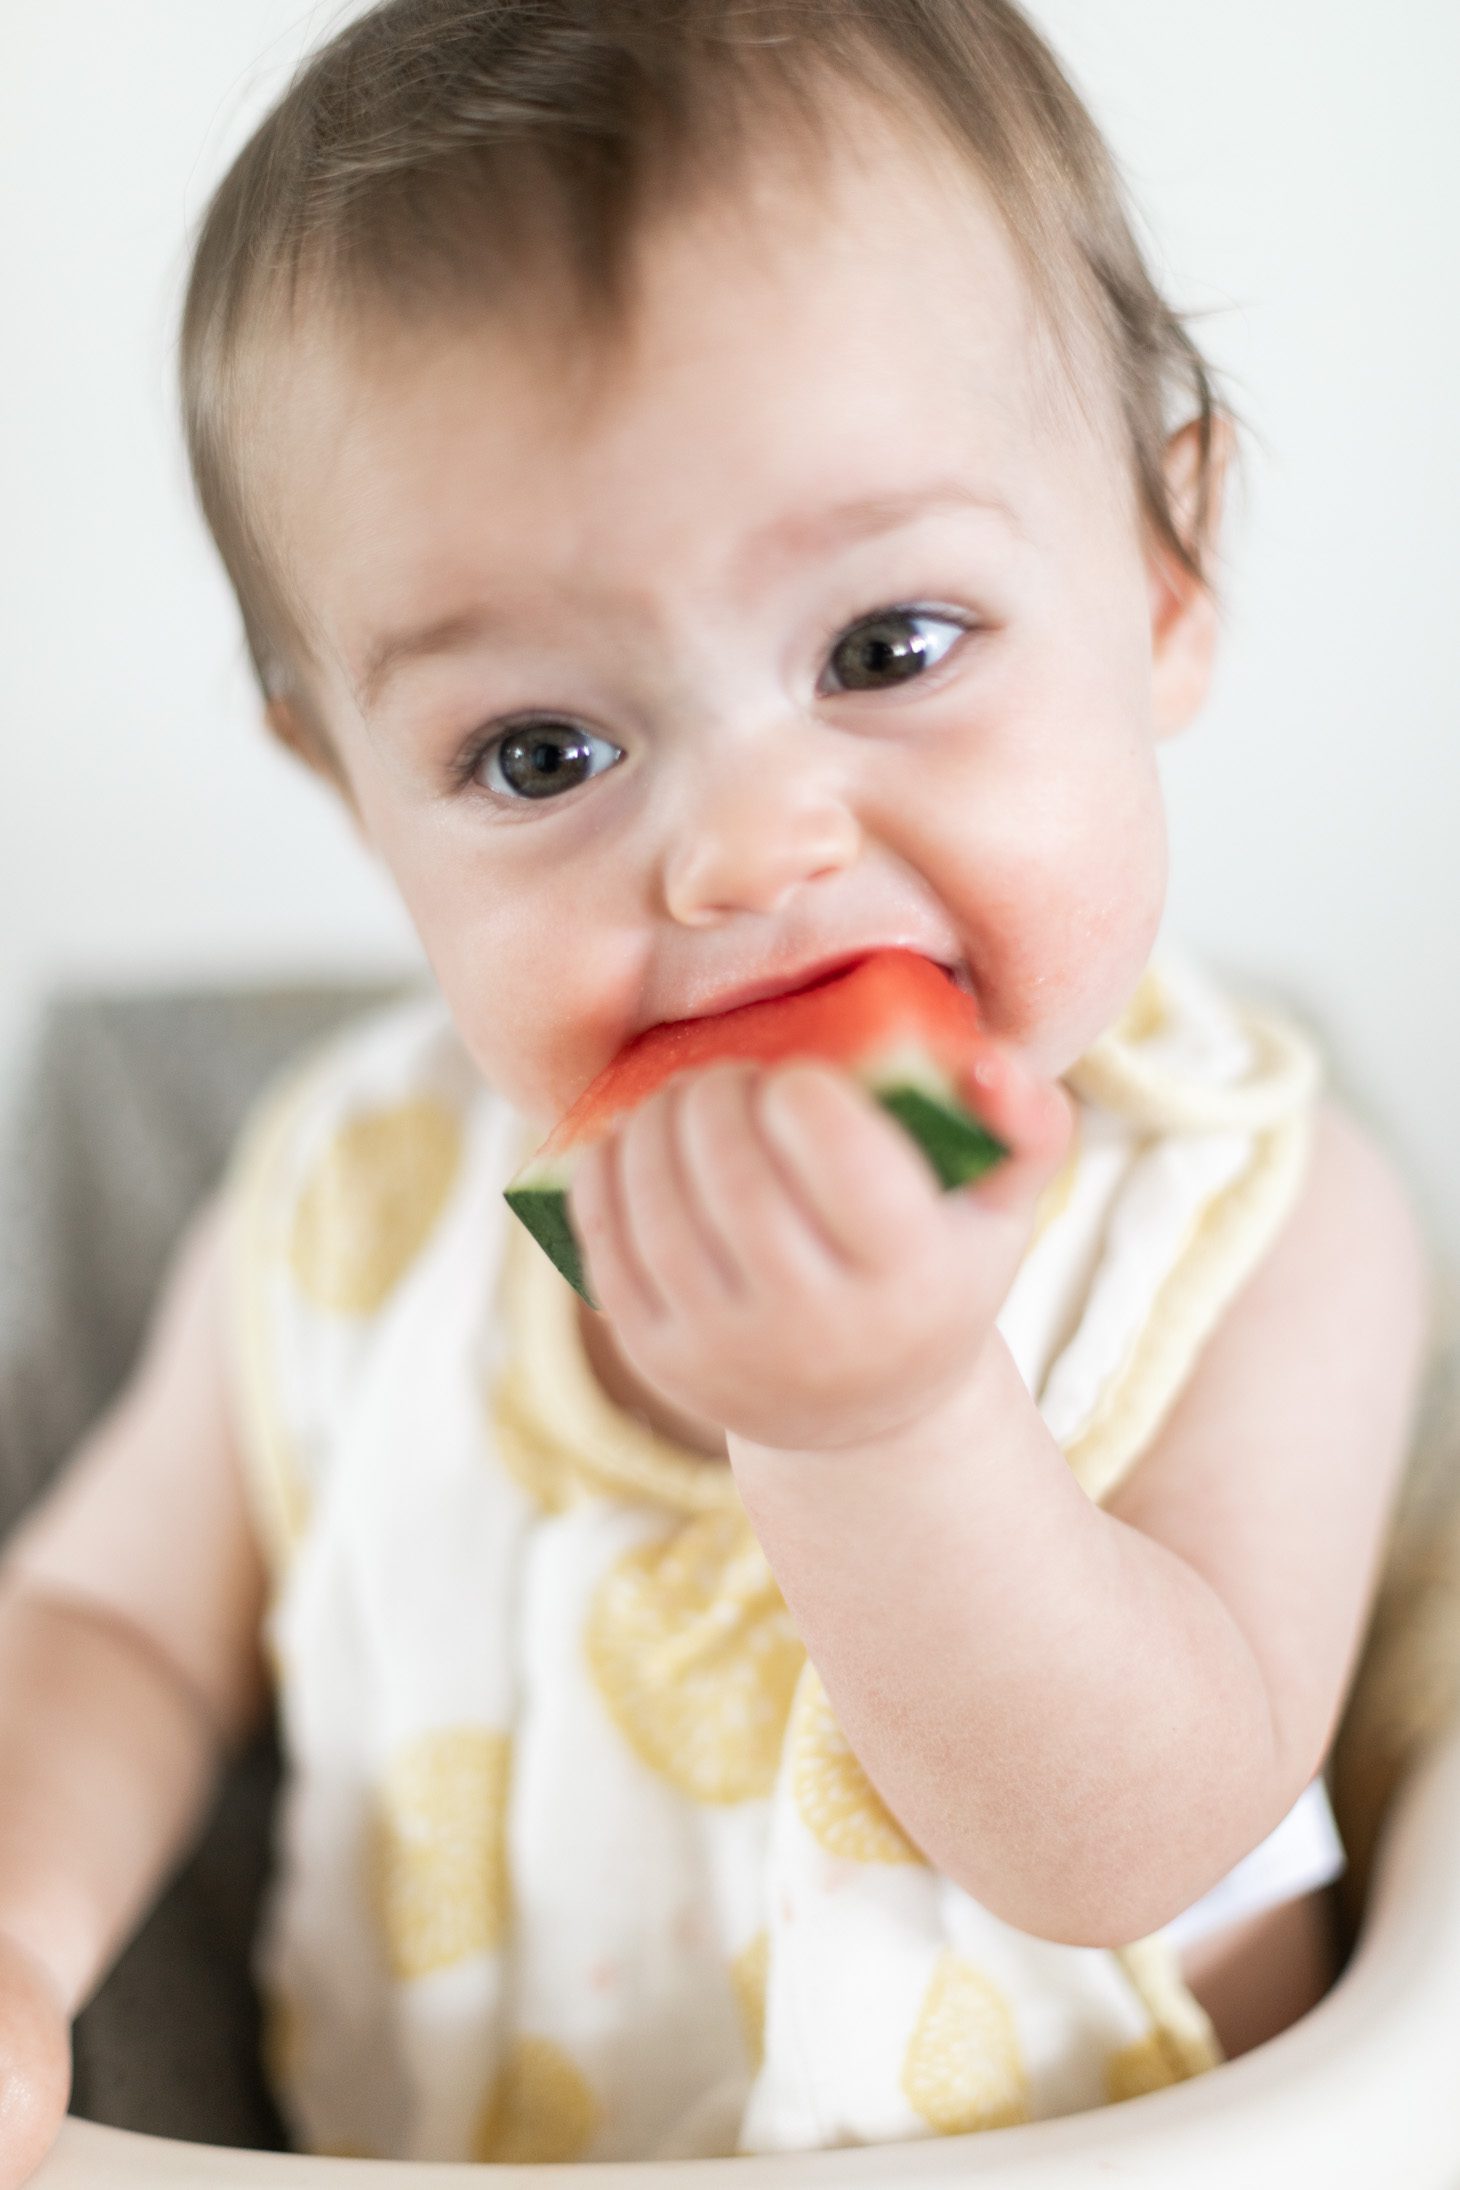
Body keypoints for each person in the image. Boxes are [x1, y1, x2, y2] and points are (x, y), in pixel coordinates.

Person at [0, 0, 1433, 2173]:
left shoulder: (1248, 1210)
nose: (746, 850)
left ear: (1162, 572)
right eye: (539, 755)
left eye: (885, 648)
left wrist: (876, 1417)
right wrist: (21, 1923)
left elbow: (1142, 1838)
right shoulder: (353, 1204)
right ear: (351, 787)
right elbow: (106, 1620)